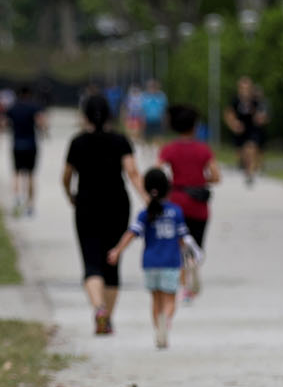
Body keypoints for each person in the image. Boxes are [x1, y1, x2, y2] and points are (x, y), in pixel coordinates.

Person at [63, 94, 144, 335]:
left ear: (85, 115)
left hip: (86, 204)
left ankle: (98, 307)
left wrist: (70, 195)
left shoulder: (77, 142)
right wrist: (148, 199)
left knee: (91, 260)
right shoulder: (120, 140)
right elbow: (132, 172)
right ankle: (107, 319)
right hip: (117, 205)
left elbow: (66, 176)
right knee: (112, 261)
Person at [107, 169, 200, 349]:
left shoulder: (145, 214)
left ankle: (158, 328)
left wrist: (117, 250)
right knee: (170, 298)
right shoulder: (176, 212)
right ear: (168, 189)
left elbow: (131, 233)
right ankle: (166, 321)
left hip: (150, 263)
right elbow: (183, 239)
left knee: (155, 299)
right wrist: (191, 257)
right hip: (171, 263)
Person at [157, 104, 221, 301]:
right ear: (195, 127)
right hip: (198, 203)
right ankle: (192, 274)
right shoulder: (203, 149)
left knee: (180, 244)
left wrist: (171, 184)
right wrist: (201, 180)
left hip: (177, 200)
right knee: (196, 244)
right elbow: (216, 176)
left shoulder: (169, 149)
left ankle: (183, 283)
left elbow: (157, 172)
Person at [6, 85, 45, 216]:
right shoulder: (34, 107)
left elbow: (4, 122)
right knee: (31, 175)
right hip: (31, 144)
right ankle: (30, 205)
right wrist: (43, 130)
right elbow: (40, 122)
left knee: (16, 173)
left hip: (17, 144)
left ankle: (16, 198)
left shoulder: (13, 107)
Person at [223, 77, 268, 184]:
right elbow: (228, 114)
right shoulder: (235, 101)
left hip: (253, 129)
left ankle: (250, 173)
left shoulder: (256, 101)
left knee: (251, 148)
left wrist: (260, 118)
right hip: (240, 130)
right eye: (242, 88)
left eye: (247, 88)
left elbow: (263, 115)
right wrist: (234, 124)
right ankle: (245, 165)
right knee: (242, 154)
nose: (245, 91)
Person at [141, 79, 169, 149]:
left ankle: (158, 150)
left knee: (159, 137)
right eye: (151, 87)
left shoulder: (161, 96)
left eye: (154, 87)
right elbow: (142, 110)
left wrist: (165, 119)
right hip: (148, 120)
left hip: (158, 120)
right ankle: (147, 150)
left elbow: (164, 109)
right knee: (146, 137)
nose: (152, 88)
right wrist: (142, 120)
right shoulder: (145, 96)